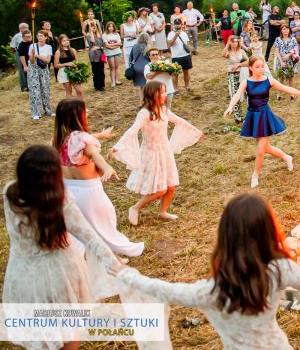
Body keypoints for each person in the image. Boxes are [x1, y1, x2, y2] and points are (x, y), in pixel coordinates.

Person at [111, 193, 300, 350]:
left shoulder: (207, 292)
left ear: (226, 236)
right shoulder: (280, 271)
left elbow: (159, 289)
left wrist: (123, 274)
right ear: (268, 231)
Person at [3, 145, 121, 350]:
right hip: (61, 277)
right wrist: (117, 267)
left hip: (24, 279)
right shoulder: (60, 200)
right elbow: (89, 236)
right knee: (68, 335)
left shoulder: (9, 194)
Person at [54, 98, 144, 257]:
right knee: (104, 224)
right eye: (84, 112)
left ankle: (89, 256)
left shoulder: (57, 141)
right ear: (78, 117)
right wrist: (107, 168)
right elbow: (94, 154)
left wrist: (100, 135)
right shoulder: (84, 141)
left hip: (67, 191)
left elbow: (75, 140)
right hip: (89, 191)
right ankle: (110, 257)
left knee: (80, 227)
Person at [110, 81, 203, 226]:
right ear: (152, 94)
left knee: (171, 186)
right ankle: (135, 208)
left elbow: (180, 121)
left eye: (165, 91)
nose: (165, 94)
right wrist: (118, 146)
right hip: (151, 153)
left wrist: (196, 131)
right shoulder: (145, 113)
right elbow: (132, 130)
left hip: (165, 151)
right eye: (162, 92)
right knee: (160, 189)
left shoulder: (164, 110)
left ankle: (162, 211)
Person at [225, 55, 300, 187]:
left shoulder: (269, 80)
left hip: (264, 116)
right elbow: (237, 95)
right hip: (253, 116)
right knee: (265, 147)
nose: (261, 69)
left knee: (260, 150)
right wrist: (230, 106)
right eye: (257, 67)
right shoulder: (246, 82)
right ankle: (287, 157)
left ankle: (255, 175)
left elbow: (288, 89)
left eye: (262, 66)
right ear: (250, 68)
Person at [27, 30, 53, 120]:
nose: (39, 37)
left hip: (43, 69)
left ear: (46, 37)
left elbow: (48, 60)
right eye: (38, 36)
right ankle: (36, 112)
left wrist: (38, 56)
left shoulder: (48, 47)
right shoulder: (32, 46)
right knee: (35, 90)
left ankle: (47, 109)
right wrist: (33, 55)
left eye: (41, 36)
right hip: (33, 69)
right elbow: (31, 61)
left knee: (45, 89)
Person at [223, 35, 249, 123]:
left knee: (247, 94)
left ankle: (250, 115)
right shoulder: (229, 52)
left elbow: (248, 61)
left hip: (243, 74)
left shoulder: (241, 51)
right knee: (235, 95)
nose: (234, 43)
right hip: (232, 75)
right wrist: (227, 45)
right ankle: (238, 117)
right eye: (232, 41)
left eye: (236, 41)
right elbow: (223, 55)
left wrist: (239, 65)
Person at [54, 34, 84, 100]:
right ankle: (70, 108)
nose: (66, 42)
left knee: (79, 91)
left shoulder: (72, 50)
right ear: (60, 42)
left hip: (74, 72)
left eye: (67, 40)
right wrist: (66, 64)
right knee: (69, 91)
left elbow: (77, 61)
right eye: (64, 41)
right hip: (64, 72)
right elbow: (56, 65)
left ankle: (81, 107)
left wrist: (77, 65)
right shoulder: (58, 52)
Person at [273, 25, 300, 96]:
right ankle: (278, 94)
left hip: (291, 61)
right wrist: (281, 61)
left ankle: (292, 94)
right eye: (284, 29)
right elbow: (276, 51)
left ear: (289, 30)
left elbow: (296, 48)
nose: (286, 31)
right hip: (281, 61)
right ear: (281, 31)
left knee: (291, 78)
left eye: (287, 29)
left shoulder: (293, 39)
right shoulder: (278, 39)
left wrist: (288, 55)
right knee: (280, 78)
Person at [168, 19, 193, 92]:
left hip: (186, 55)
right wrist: (176, 36)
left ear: (181, 24)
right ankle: (175, 89)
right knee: (175, 73)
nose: (177, 25)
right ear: (173, 25)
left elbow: (187, 43)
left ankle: (187, 86)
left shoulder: (184, 33)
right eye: (176, 24)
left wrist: (190, 52)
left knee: (186, 72)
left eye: (179, 24)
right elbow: (169, 44)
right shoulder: (171, 34)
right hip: (176, 56)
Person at [85, 20, 106, 92]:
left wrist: (98, 48)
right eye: (92, 27)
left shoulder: (99, 36)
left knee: (101, 71)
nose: (93, 28)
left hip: (100, 54)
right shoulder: (88, 36)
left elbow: (103, 46)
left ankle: (101, 85)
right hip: (93, 55)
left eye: (94, 27)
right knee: (95, 71)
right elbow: (92, 41)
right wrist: (91, 32)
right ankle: (96, 85)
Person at [129, 32, 152, 100]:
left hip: (136, 67)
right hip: (146, 67)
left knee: (141, 87)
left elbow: (131, 58)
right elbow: (151, 59)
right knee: (147, 86)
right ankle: (147, 101)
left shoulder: (135, 46)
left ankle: (141, 101)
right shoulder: (148, 47)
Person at [9, 22, 30, 92]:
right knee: (22, 70)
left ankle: (29, 85)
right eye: (24, 27)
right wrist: (16, 54)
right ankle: (23, 86)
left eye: (27, 27)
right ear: (20, 28)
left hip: (28, 53)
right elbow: (12, 47)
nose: (26, 29)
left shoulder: (29, 34)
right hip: (19, 53)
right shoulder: (17, 36)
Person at [103, 21, 122, 87]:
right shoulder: (105, 35)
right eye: (109, 26)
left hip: (117, 51)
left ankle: (116, 80)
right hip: (109, 53)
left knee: (116, 67)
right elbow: (107, 45)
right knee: (112, 67)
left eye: (112, 26)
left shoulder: (116, 34)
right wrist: (115, 45)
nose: (111, 28)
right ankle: (113, 81)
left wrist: (112, 45)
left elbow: (120, 43)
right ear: (107, 27)